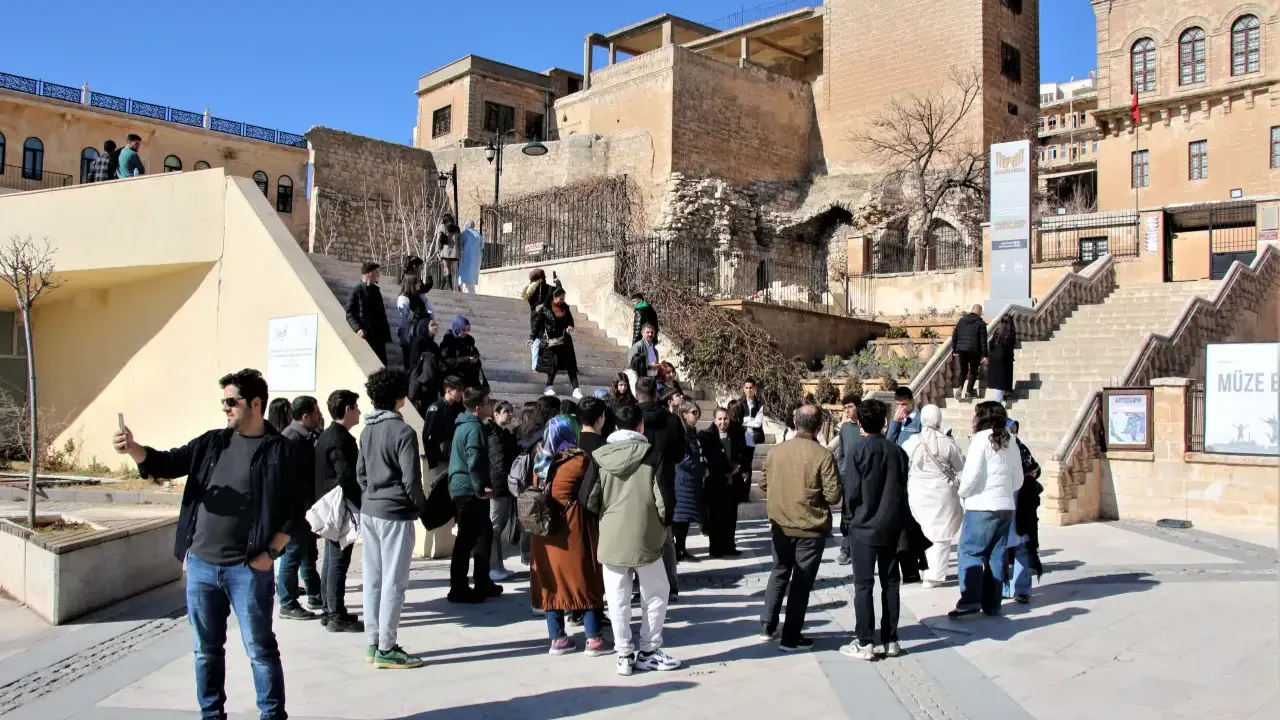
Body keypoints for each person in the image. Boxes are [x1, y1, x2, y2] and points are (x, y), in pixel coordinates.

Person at [112, 368, 298, 719]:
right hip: (201, 566)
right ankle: (211, 715)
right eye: (223, 402)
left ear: (256, 404)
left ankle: (272, 716)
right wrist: (134, 449)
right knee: (206, 651)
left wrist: (270, 554)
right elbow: (166, 463)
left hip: (248, 569)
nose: (225, 409)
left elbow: (295, 510)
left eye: (232, 402)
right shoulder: (212, 443)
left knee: (260, 649)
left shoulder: (280, 451)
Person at [589, 405, 681, 676]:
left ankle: (623, 655)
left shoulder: (599, 457)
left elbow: (588, 499)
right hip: (647, 537)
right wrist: (663, 526)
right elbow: (664, 500)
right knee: (655, 593)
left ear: (615, 428)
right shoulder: (654, 455)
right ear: (641, 427)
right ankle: (649, 650)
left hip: (612, 537)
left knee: (617, 599)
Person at [357, 368, 427, 668]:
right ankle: (387, 646)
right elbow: (412, 480)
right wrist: (421, 507)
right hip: (395, 512)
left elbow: (360, 473)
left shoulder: (366, 430)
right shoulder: (403, 431)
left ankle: (373, 642)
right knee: (394, 582)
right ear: (400, 396)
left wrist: (372, 493)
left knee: (373, 579)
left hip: (370, 509)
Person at [759, 404, 842, 651]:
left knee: (779, 572)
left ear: (795, 423)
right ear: (818, 427)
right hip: (809, 526)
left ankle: (767, 625)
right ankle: (791, 636)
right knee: (801, 583)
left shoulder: (776, 452)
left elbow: (763, 483)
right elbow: (834, 494)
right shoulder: (823, 455)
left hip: (780, 524)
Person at [528, 416, 608, 656]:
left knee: (552, 583)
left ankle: (558, 638)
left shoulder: (540, 462)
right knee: (586, 578)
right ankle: (593, 639)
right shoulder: (580, 461)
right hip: (573, 529)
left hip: (544, 532)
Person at [838, 399, 909, 661]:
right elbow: (903, 491)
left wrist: (849, 519)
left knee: (863, 585)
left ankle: (865, 640)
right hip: (891, 526)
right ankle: (891, 638)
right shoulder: (898, 453)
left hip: (863, 527)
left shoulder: (857, 451)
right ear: (884, 422)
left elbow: (852, 492)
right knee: (891, 583)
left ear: (859, 423)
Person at [949, 401, 1022, 619]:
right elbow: (1018, 478)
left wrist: (962, 491)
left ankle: (970, 599)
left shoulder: (980, 440)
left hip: (981, 506)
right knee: (996, 554)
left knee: (970, 551)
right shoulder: (1012, 440)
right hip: (1005, 506)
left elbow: (971, 475)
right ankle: (993, 603)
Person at [314, 389, 364, 632]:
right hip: (339, 506)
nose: (359, 412)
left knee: (332, 560)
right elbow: (346, 476)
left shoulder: (330, 435)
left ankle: (329, 609)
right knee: (337, 560)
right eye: (356, 407)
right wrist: (361, 505)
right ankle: (335, 614)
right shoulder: (339, 438)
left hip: (332, 505)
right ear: (347, 409)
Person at [447, 386, 502, 603]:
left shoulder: (465, 426)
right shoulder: (474, 429)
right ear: (479, 408)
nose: (491, 405)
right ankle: (459, 587)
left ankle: (482, 580)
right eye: (489, 402)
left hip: (463, 487)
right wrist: (480, 488)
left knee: (483, 534)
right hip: (468, 489)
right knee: (468, 538)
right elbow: (475, 461)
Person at [901, 405, 964, 589]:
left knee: (925, 530)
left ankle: (925, 569)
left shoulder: (911, 442)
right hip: (942, 494)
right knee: (941, 535)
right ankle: (934, 574)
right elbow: (961, 467)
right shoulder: (947, 443)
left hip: (918, 492)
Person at [635, 376, 684, 601]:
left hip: (635, 483)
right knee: (666, 536)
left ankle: (641, 586)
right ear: (656, 394)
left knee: (638, 536)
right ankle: (671, 585)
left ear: (637, 394)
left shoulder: (630, 417)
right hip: (664, 479)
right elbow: (680, 454)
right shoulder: (672, 420)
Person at [277, 396, 325, 620]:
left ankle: (315, 594)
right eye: (316, 413)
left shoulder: (307, 436)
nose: (319, 416)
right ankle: (287, 602)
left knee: (308, 553)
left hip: (306, 508)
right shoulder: (290, 439)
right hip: (293, 509)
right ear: (305, 416)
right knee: (292, 554)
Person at [1003, 419, 1043, 604]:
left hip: (1021, 504)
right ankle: (1004, 587)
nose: (1014, 433)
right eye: (1011, 429)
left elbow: (1035, 469)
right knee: (1001, 548)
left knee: (1021, 545)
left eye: (1015, 430)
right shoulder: (998, 449)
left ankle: (1020, 588)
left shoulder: (1019, 448)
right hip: (1004, 503)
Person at [698, 407, 739, 559]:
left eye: (726, 418)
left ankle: (729, 545)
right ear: (714, 420)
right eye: (720, 419)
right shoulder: (707, 436)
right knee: (715, 517)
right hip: (715, 481)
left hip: (731, 482)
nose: (723, 422)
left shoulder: (735, 434)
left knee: (730, 515)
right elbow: (712, 459)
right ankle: (715, 548)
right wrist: (729, 468)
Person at [486, 400, 519, 582]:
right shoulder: (493, 434)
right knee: (495, 527)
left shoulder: (505, 434)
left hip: (505, 486)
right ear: (496, 414)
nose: (510, 414)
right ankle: (493, 566)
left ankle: (498, 565)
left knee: (501, 525)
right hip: (497, 486)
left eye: (511, 411)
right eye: (506, 411)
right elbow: (497, 462)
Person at [534, 287, 583, 399]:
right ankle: (549, 386)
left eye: (563, 298)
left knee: (571, 365)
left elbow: (570, 321)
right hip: (552, 342)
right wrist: (532, 338)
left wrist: (570, 327)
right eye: (560, 298)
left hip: (565, 341)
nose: (562, 301)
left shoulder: (565, 308)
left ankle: (576, 388)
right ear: (554, 298)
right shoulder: (545, 309)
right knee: (554, 364)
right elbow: (537, 324)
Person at [833, 393, 864, 565]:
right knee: (847, 514)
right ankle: (846, 549)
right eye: (845, 408)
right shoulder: (845, 429)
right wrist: (842, 474)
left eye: (850, 407)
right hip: (848, 479)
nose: (847, 411)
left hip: (865, 478)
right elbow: (842, 455)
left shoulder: (866, 427)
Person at [672, 401, 705, 563]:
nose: (696, 416)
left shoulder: (692, 432)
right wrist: (698, 469)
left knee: (685, 518)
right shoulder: (680, 432)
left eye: (697, 412)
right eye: (693, 412)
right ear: (684, 414)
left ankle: (681, 549)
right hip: (683, 479)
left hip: (692, 479)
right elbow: (682, 457)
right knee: (680, 517)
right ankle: (677, 550)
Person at [345, 261, 392, 365]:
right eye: (377, 272)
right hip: (366, 336)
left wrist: (386, 335)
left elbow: (382, 315)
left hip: (378, 338)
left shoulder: (376, 291)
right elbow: (349, 313)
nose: (379, 275)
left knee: (382, 366)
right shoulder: (357, 290)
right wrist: (357, 328)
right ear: (370, 273)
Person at [422, 376, 465, 473]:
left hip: (450, 456)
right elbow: (427, 436)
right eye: (458, 390)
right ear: (448, 391)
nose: (461, 393)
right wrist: (432, 460)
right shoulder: (436, 408)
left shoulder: (455, 408)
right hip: (439, 460)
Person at [522, 269, 560, 370]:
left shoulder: (529, 290)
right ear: (542, 278)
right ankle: (537, 365)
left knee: (536, 340)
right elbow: (558, 291)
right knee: (541, 340)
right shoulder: (545, 288)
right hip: (544, 317)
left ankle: (535, 365)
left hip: (534, 317)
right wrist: (557, 281)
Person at [396, 272, 434, 371]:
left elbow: (429, 311)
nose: (420, 284)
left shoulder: (420, 297)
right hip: (410, 335)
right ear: (411, 283)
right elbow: (407, 317)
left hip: (423, 333)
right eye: (418, 282)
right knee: (411, 364)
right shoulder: (403, 299)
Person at [407, 318, 443, 417]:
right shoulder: (419, 342)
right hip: (421, 382)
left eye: (436, 324)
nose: (436, 327)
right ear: (424, 327)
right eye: (432, 325)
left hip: (431, 383)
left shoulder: (434, 344)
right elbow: (414, 363)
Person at [952, 304, 987, 400]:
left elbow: (955, 335)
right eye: (981, 311)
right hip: (974, 351)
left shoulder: (961, 320)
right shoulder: (981, 323)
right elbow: (983, 341)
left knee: (963, 370)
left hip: (962, 350)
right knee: (973, 371)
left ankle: (959, 387)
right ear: (979, 311)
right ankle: (968, 391)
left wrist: (954, 349)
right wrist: (985, 355)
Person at [439, 316, 484, 390]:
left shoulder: (469, 341)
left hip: (469, 382)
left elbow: (475, 357)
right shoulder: (447, 342)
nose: (466, 332)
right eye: (463, 330)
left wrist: (475, 360)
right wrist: (467, 359)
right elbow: (445, 362)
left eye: (468, 330)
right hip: (454, 383)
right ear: (457, 328)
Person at [740, 378, 767, 490]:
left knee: (748, 458)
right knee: (743, 458)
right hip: (742, 433)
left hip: (753, 435)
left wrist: (745, 421)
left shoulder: (759, 404)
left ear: (755, 388)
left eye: (751, 387)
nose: (749, 390)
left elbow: (757, 423)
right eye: (746, 388)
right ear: (743, 389)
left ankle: (746, 489)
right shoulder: (739, 403)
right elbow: (738, 420)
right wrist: (749, 421)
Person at [987, 315, 1017, 403]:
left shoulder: (997, 330)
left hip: (994, 355)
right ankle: (997, 401)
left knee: (999, 379)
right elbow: (1010, 347)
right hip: (1003, 356)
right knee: (1003, 379)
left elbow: (991, 343)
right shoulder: (1010, 332)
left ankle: (1003, 395)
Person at [626, 324, 660, 391]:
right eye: (648, 332)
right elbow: (633, 365)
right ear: (642, 333)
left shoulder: (654, 349)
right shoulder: (637, 346)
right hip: (640, 381)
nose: (650, 334)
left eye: (652, 332)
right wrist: (650, 367)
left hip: (652, 380)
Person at [436, 213, 462, 291]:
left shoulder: (442, 226)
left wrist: (437, 249)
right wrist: (460, 251)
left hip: (445, 250)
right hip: (454, 251)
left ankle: (450, 287)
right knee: (447, 268)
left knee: (446, 268)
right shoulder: (457, 228)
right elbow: (460, 240)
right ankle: (441, 286)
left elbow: (438, 239)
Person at [458, 220, 482, 294]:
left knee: (461, 277)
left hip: (466, 258)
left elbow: (459, 245)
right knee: (470, 278)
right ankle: (472, 294)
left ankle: (461, 293)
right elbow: (482, 247)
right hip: (476, 259)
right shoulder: (479, 235)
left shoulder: (465, 233)